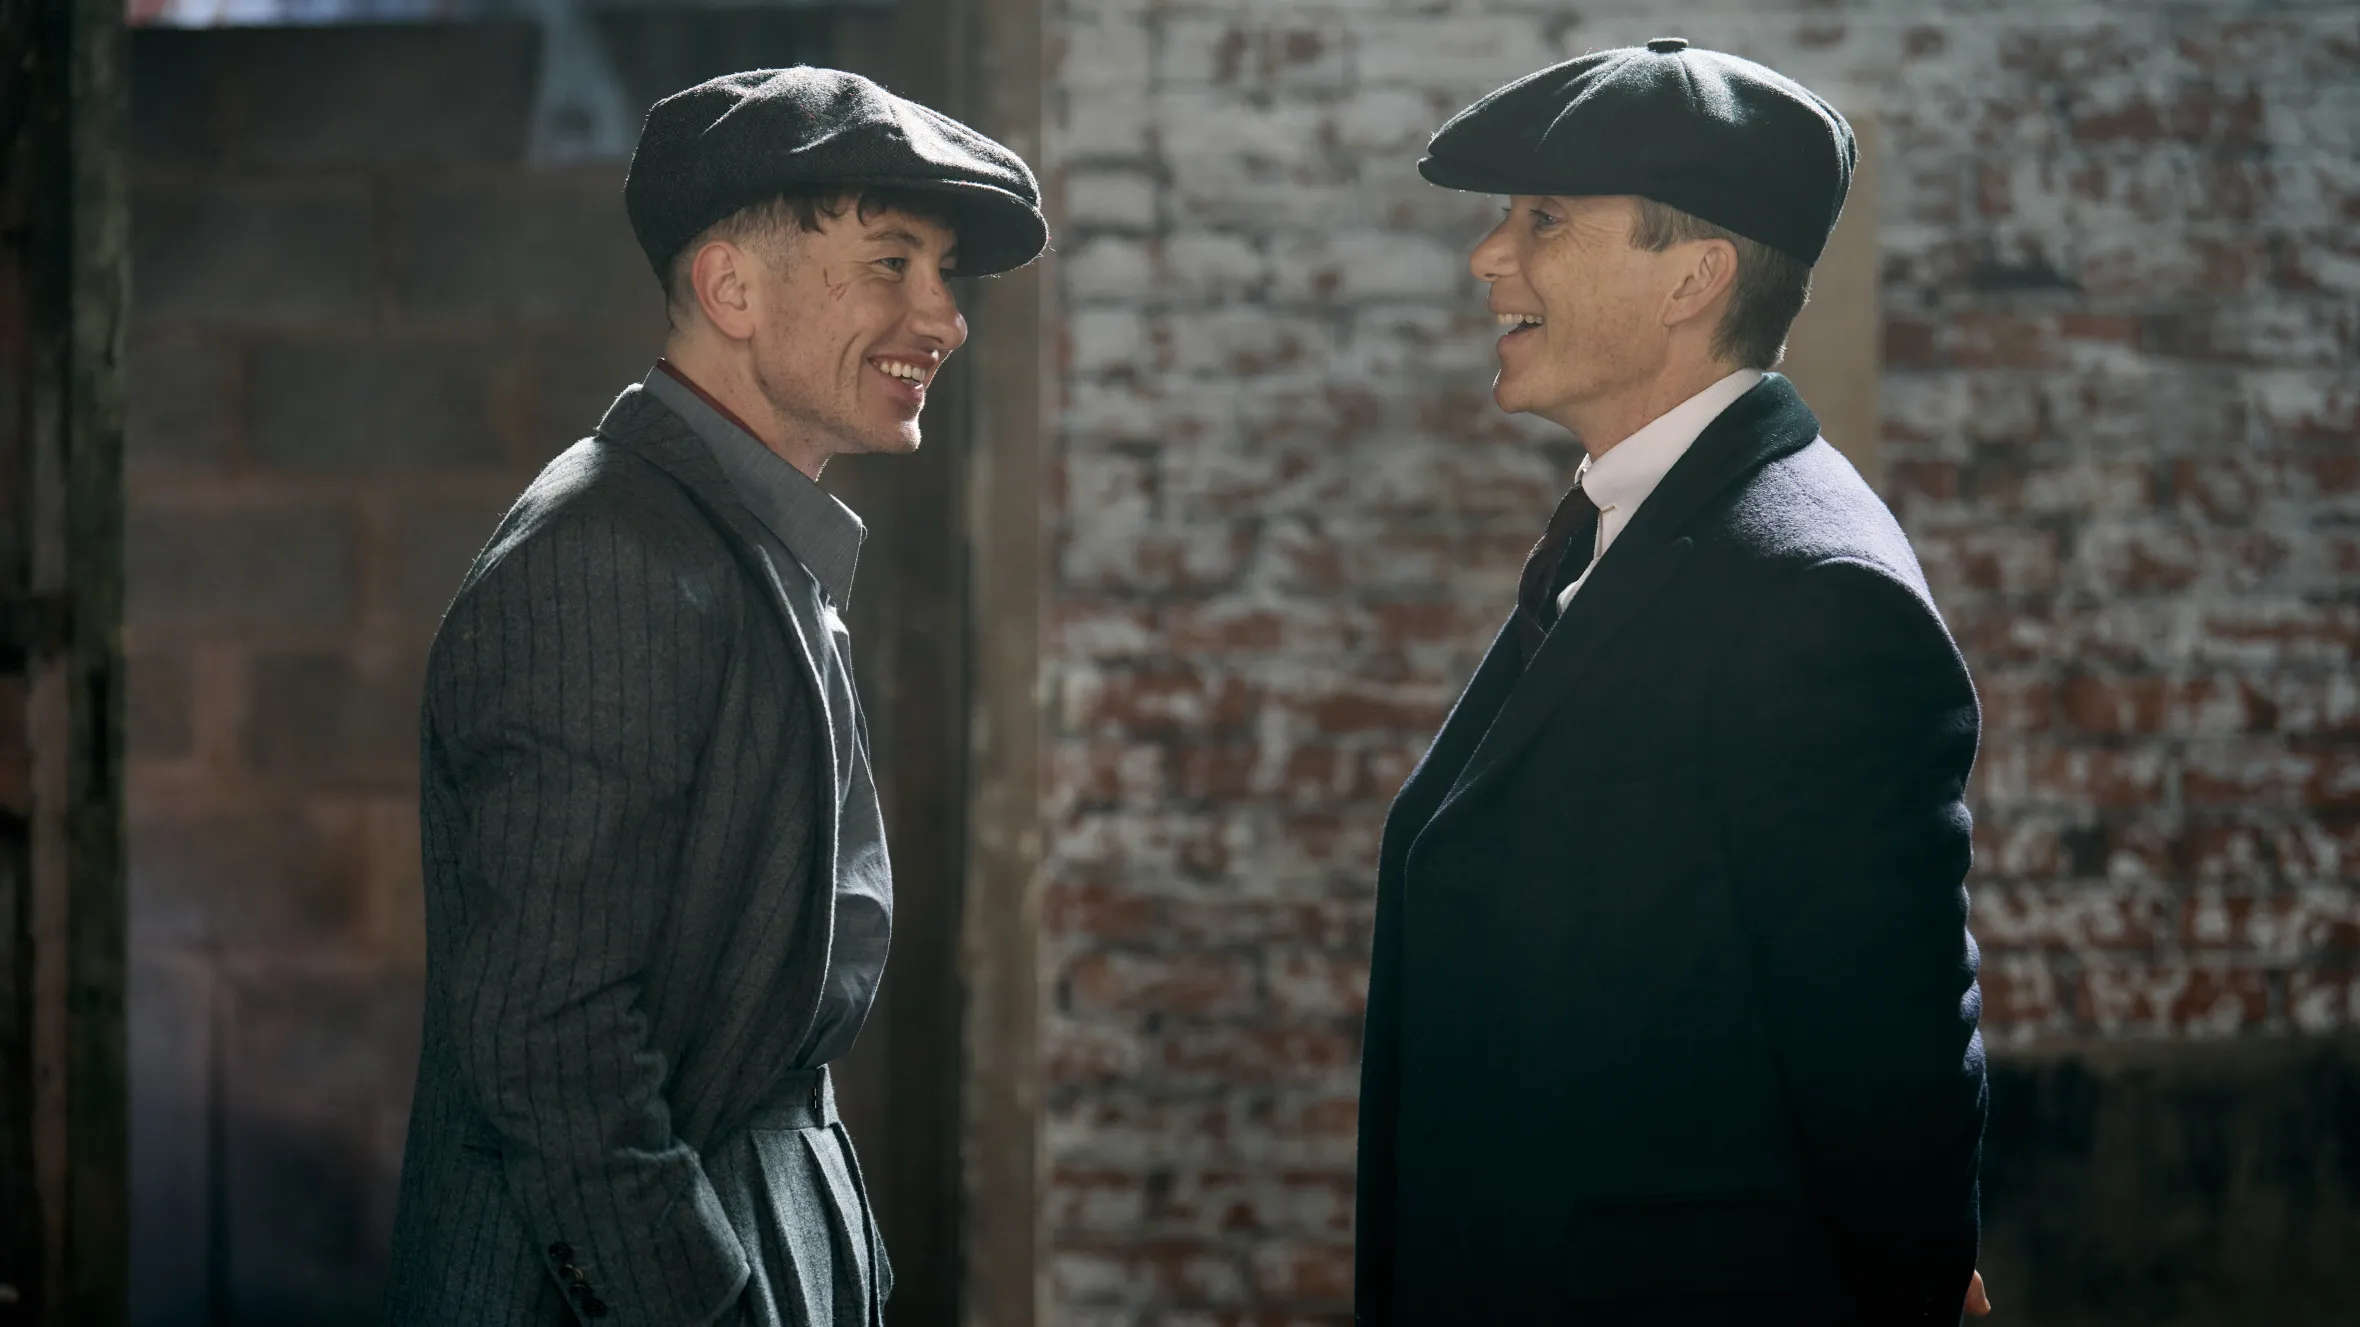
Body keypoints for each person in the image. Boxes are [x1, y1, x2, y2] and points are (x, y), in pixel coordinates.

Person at [385, 67, 1045, 1326]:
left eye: (943, 272)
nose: (942, 317)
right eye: (891, 262)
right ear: (730, 289)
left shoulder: (731, 534)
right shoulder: (606, 558)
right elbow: (549, 1040)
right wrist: (705, 1306)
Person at [1353, 39, 1992, 1325]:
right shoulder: (1637, 521)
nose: (1488, 258)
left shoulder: (1811, 590)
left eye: (1543, 220)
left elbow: (1887, 1064)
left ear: (1691, 278)